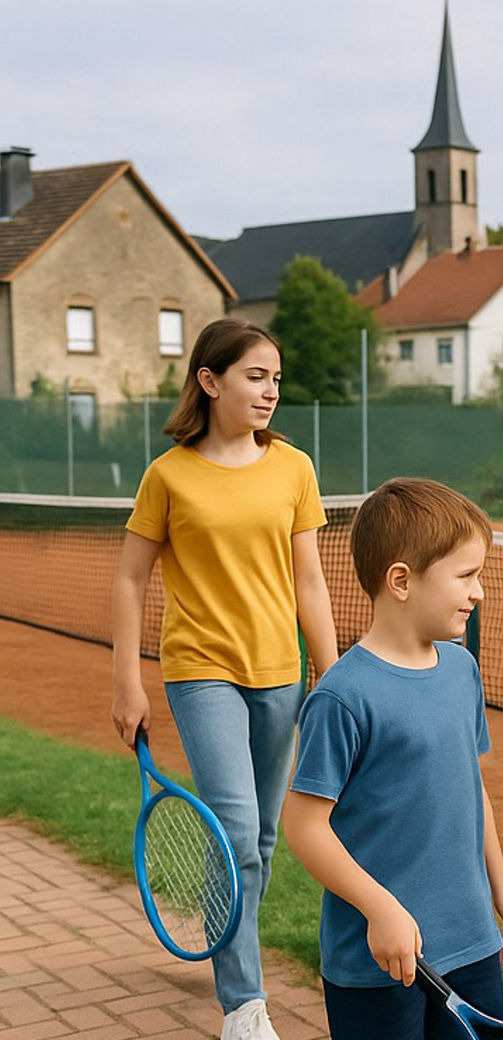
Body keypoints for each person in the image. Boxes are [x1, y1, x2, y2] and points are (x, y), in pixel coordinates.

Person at [110, 318, 338, 1040]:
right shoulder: (169, 474)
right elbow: (128, 577)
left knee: (263, 837)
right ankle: (245, 1005)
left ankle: (221, 946)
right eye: (255, 376)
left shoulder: (294, 468)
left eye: (275, 377)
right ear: (210, 382)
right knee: (236, 830)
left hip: (282, 675)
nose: (270, 390)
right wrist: (126, 681)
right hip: (199, 670)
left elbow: (310, 579)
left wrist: (330, 676)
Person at [282, 477, 503, 1040]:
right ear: (401, 581)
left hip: (471, 944)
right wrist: (381, 909)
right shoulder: (343, 697)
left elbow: (471, 788)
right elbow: (304, 826)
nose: (479, 591)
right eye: (465, 576)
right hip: (380, 959)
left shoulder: (462, 668)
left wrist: (502, 891)